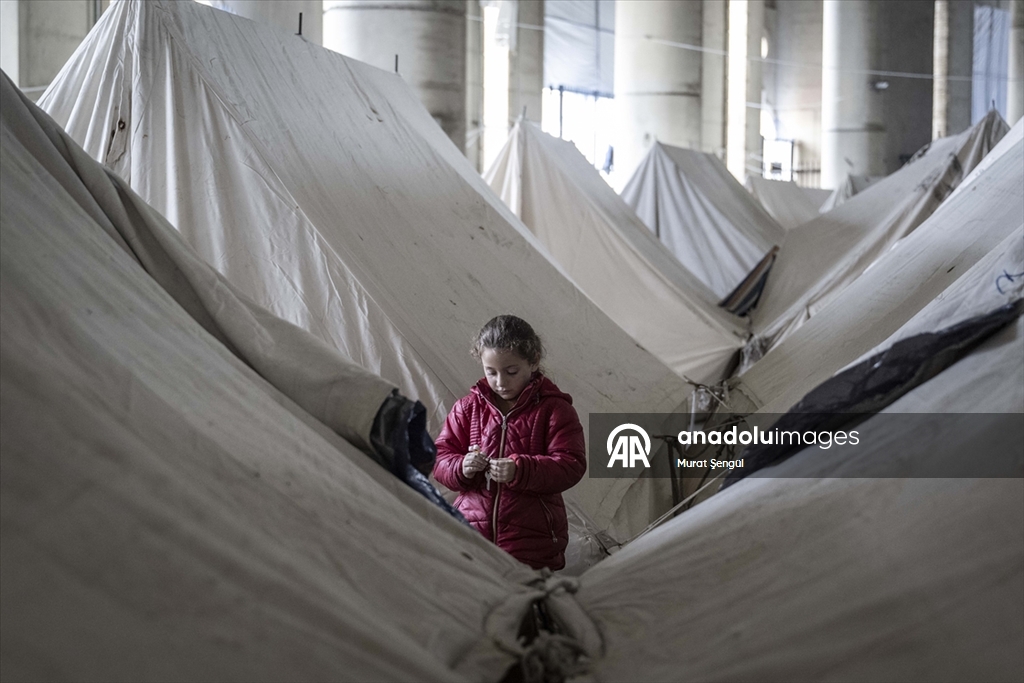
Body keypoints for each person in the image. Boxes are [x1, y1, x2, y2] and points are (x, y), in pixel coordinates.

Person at [433, 315, 586, 570]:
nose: (501, 382)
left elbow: (572, 464)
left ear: (533, 361)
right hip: (471, 539)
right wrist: (461, 466)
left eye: (511, 372)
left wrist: (520, 470)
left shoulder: (555, 410)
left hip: (532, 545)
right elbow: (440, 457)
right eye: (491, 372)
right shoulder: (467, 408)